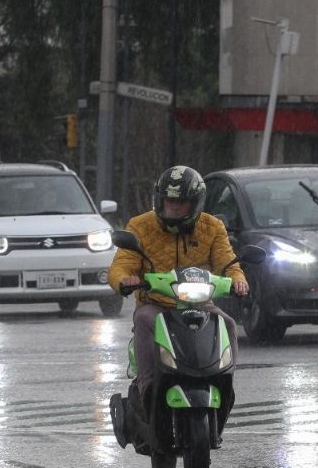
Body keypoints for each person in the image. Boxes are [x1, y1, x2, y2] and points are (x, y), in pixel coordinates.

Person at [107, 165, 249, 451]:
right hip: (156, 304)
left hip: (201, 303)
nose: (172, 208)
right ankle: (148, 386)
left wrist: (238, 280)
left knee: (229, 324)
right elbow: (122, 263)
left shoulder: (213, 227)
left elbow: (228, 262)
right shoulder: (139, 226)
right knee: (145, 320)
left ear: (195, 203)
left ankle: (224, 383)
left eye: (179, 202)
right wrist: (124, 279)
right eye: (168, 202)